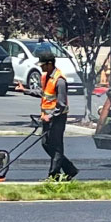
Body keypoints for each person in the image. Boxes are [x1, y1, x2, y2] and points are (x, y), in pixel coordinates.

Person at [34, 52, 79, 180]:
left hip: (57, 118)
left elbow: (62, 105)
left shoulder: (60, 81)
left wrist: (51, 116)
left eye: (43, 65)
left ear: (50, 64)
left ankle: (53, 176)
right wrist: (25, 91)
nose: (41, 68)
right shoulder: (46, 77)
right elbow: (43, 94)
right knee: (46, 144)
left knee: (57, 146)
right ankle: (70, 169)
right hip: (47, 118)